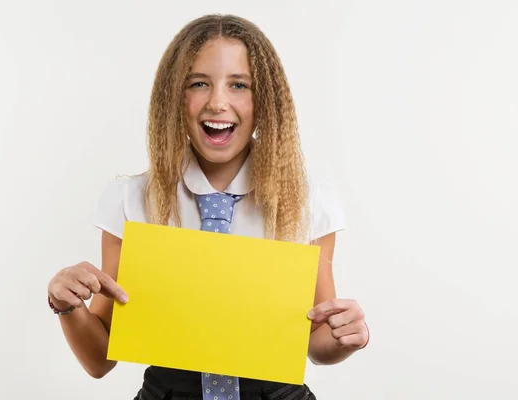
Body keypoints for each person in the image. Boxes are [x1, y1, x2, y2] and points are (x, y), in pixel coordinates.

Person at [47, 14, 369, 400]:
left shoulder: (308, 202)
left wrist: (346, 337)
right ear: (174, 97)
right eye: (199, 83)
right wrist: (65, 304)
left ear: (265, 100)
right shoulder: (131, 200)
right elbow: (100, 361)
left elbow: (318, 344)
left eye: (239, 85)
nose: (218, 102)